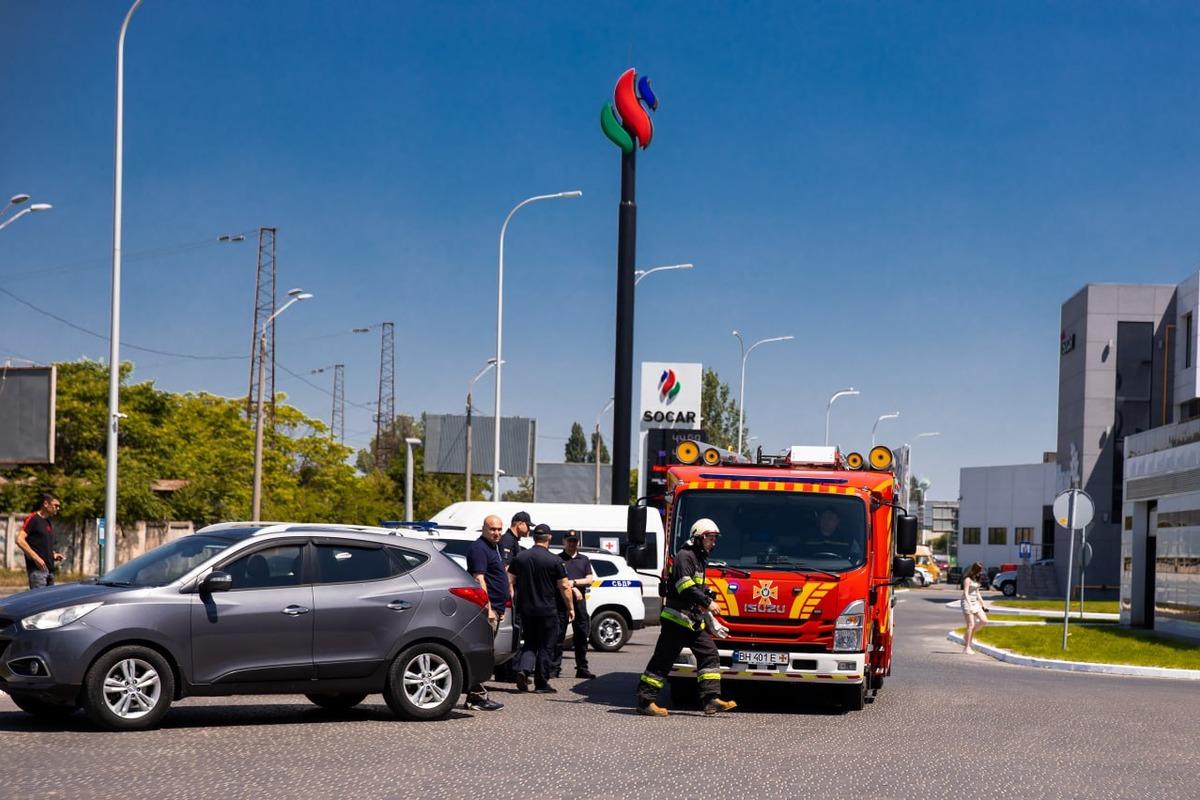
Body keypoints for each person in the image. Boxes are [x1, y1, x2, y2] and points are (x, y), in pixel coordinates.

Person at [635, 518, 737, 718]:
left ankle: (710, 700)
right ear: (698, 537)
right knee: (663, 660)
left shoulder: (698, 559)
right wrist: (708, 603)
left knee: (709, 653)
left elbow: (696, 587)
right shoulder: (685, 556)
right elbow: (685, 587)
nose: (713, 543)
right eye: (710, 538)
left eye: (715, 539)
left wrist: (706, 599)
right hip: (676, 620)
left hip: (691, 621)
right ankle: (645, 702)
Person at [508, 524, 573, 693]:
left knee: (530, 642)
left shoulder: (520, 558)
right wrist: (570, 607)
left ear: (533, 537)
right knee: (546, 645)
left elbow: (509, 581)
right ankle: (541, 683)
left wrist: (514, 601)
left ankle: (523, 670)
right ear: (549, 537)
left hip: (526, 609)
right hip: (547, 610)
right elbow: (564, 586)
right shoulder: (555, 560)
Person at [462, 514, 508, 710]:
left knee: (487, 654)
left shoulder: (493, 548)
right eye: (492, 529)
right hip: (485, 610)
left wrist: (501, 607)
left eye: (499, 529)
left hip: (496, 609)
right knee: (483, 654)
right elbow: (479, 580)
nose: (496, 532)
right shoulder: (479, 548)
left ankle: (476, 696)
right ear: (483, 529)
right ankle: (477, 698)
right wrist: (489, 608)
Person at [552, 531, 596, 680]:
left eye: (574, 541)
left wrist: (573, 583)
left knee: (582, 636)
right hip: (561, 602)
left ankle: (582, 668)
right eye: (569, 540)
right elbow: (556, 582)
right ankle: (554, 668)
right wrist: (574, 588)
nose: (572, 543)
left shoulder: (584, 559)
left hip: (579, 603)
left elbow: (590, 580)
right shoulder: (558, 559)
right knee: (558, 636)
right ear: (564, 541)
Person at [16, 494, 63, 590]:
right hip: (38, 571)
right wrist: (36, 558)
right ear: (46, 503)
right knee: (39, 602)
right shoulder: (33, 519)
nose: (57, 508)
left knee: (49, 603)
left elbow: (41, 544)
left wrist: (53, 555)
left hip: (50, 570)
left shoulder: (48, 522)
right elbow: (19, 540)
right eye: (56, 505)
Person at [960, 561, 989, 654]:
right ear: (975, 570)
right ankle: (967, 647)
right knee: (971, 625)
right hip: (966, 602)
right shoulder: (967, 579)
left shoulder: (976, 580)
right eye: (980, 570)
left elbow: (977, 593)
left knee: (984, 620)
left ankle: (966, 636)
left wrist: (983, 605)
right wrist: (970, 605)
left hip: (975, 602)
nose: (981, 572)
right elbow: (966, 593)